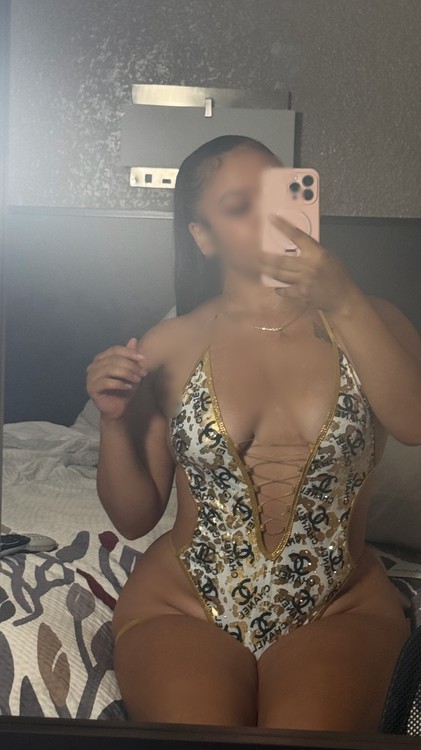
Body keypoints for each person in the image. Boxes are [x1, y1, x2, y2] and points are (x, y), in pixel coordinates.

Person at [86, 135, 421, 731]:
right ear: (203, 236)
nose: (266, 215)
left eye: (276, 193)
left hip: (341, 607)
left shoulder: (373, 318)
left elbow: (414, 423)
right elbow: (134, 517)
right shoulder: (169, 344)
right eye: (240, 205)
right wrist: (113, 422)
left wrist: (343, 298)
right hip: (182, 605)